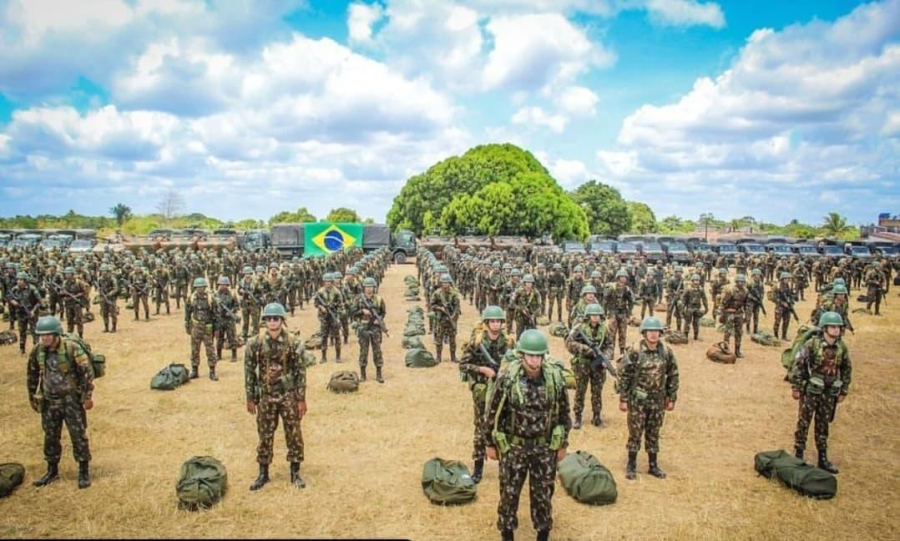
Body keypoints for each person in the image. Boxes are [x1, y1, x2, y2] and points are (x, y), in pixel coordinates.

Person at [485, 329, 571, 541]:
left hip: (544, 448)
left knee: (543, 494)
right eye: (530, 355)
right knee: (509, 493)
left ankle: (543, 532)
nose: (535, 360)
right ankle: (507, 533)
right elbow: (492, 412)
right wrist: (489, 443)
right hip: (514, 448)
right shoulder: (508, 378)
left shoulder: (554, 379)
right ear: (522, 354)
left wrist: (562, 444)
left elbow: (563, 413)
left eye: (539, 355)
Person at [244, 303, 307, 490]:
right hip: (266, 396)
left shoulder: (293, 342)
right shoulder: (255, 343)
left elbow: (300, 372)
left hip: (287, 395)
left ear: (282, 320)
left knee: (294, 433)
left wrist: (301, 399)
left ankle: (295, 471)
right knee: (264, 434)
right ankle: (263, 473)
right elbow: (249, 372)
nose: (272, 322)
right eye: (269, 319)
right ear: (264, 321)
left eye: (276, 318)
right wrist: (250, 397)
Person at [27, 316, 94, 489]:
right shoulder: (39, 350)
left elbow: (86, 374)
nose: (44, 339)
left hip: (71, 401)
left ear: (56, 334)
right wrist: (32, 395)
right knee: (50, 437)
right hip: (49, 402)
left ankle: (83, 471)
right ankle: (51, 470)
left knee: (78, 436)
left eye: (48, 335)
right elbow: (32, 373)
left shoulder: (72, 348)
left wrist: (87, 397)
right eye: (42, 335)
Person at [788, 311, 852, 473]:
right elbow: (798, 365)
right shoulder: (812, 344)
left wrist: (843, 389)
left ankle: (822, 457)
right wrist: (797, 387)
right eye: (833, 327)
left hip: (829, 392)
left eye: (838, 327)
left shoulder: (841, 347)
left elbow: (846, 368)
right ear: (824, 328)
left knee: (823, 425)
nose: (837, 330)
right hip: (811, 391)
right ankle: (798, 453)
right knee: (804, 421)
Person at [617, 316, 679, 480]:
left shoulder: (666, 352)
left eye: (656, 331)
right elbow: (624, 375)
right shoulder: (635, 351)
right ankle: (631, 465)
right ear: (644, 333)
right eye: (650, 331)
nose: (653, 335)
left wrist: (671, 397)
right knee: (635, 432)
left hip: (657, 400)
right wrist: (623, 399)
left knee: (653, 432)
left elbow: (673, 374)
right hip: (638, 400)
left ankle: (653, 465)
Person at [459, 305, 513, 484]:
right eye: (492, 321)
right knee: (481, 428)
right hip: (482, 391)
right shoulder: (477, 341)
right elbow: (463, 365)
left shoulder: (508, 342)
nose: (496, 324)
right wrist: (482, 369)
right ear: (487, 323)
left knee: (504, 426)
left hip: (502, 390)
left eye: (498, 321)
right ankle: (478, 467)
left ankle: (504, 465)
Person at [565, 303, 613, 429]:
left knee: (597, 391)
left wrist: (606, 356)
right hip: (582, 364)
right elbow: (569, 343)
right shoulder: (579, 328)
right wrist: (584, 348)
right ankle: (577, 417)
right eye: (593, 315)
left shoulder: (604, 329)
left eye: (597, 315)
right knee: (580, 391)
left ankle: (596, 417)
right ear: (588, 316)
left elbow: (609, 345)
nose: (595, 317)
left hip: (597, 365)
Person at [353, 277, 387, 383]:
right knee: (363, 351)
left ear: (374, 288)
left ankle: (379, 373)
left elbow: (383, 312)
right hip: (363, 327)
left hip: (375, 328)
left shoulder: (379, 299)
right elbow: (353, 312)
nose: (369, 289)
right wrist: (362, 311)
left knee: (377, 350)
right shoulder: (358, 299)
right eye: (367, 287)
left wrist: (379, 320)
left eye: (371, 287)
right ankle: (363, 374)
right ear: (364, 288)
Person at [185, 277, 218, 381]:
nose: (200, 289)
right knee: (195, 349)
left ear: (205, 287)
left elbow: (215, 315)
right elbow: (187, 312)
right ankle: (195, 370)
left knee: (210, 350)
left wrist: (216, 328)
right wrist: (187, 324)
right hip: (196, 326)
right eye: (198, 287)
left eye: (202, 287)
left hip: (207, 327)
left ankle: (212, 371)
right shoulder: (191, 298)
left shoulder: (210, 299)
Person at [8, 271, 41, 354]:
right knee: (22, 331)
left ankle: (36, 349)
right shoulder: (15, 289)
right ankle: (22, 349)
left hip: (31, 312)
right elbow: (9, 297)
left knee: (34, 331)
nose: (18, 281)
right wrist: (13, 302)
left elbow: (39, 301)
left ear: (25, 281)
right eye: (18, 279)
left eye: (21, 280)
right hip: (20, 313)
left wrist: (33, 311)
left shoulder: (32, 289)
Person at [430, 274, 461, 363]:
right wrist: (440, 308)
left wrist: (453, 318)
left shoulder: (454, 294)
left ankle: (453, 357)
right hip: (441, 319)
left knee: (452, 339)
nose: (445, 285)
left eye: (447, 283)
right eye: (443, 283)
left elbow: (457, 308)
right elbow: (432, 305)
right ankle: (438, 357)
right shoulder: (437, 293)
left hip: (451, 319)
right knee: (439, 339)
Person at [314, 273, 343, 364]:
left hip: (333, 316)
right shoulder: (320, 292)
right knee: (324, 336)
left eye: (329, 282)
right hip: (324, 317)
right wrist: (321, 307)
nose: (327, 283)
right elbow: (316, 303)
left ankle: (338, 356)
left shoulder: (337, 292)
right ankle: (323, 356)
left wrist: (336, 314)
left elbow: (340, 305)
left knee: (337, 337)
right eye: (326, 282)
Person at [720, 274, 749, 358]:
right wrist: (723, 314)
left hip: (739, 313)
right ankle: (726, 349)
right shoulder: (730, 290)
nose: (741, 283)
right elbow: (724, 303)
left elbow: (746, 304)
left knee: (739, 332)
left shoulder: (745, 291)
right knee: (728, 332)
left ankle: (737, 350)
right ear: (736, 282)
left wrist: (747, 315)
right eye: (740, 281)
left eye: (743, 281)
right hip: (730, 312)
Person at [213, 276, 240, 363]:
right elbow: (213, 307)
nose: (222, 286)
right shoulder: (215, 295)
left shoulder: (232, 294)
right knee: (219, 338)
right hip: (220, 319)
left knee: (231, 337)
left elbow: (236, 306)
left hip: (229, 320)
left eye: (224, 285)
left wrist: (231, 311)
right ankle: (219, 355)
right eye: (221, 284)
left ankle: (234, 355)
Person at [680, 274, 709, 341]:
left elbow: (704, 299)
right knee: (687, 322)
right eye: (695, 281)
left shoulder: (701, 290)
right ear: (692, 281)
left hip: (697, 308)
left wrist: (706, 307)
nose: (696, 282)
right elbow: (683, 299)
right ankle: (685, 335)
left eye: (698, 281)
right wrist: (682, 308)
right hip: (690, 308)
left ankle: (696, 336)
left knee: (696, 323)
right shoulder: (688, 289)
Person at [96, 264, 120, 333]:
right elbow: (99, 288)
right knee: (104, 313)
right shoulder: (100, 279)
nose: (104, 273)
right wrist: (101, 294)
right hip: (103, 298)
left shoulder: (112, 279)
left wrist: (109, 294)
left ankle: (114, 327)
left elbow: (116, 289)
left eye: (105, 271)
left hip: (111, 298)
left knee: (113, 314)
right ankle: (106, 327)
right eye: (102, 271)